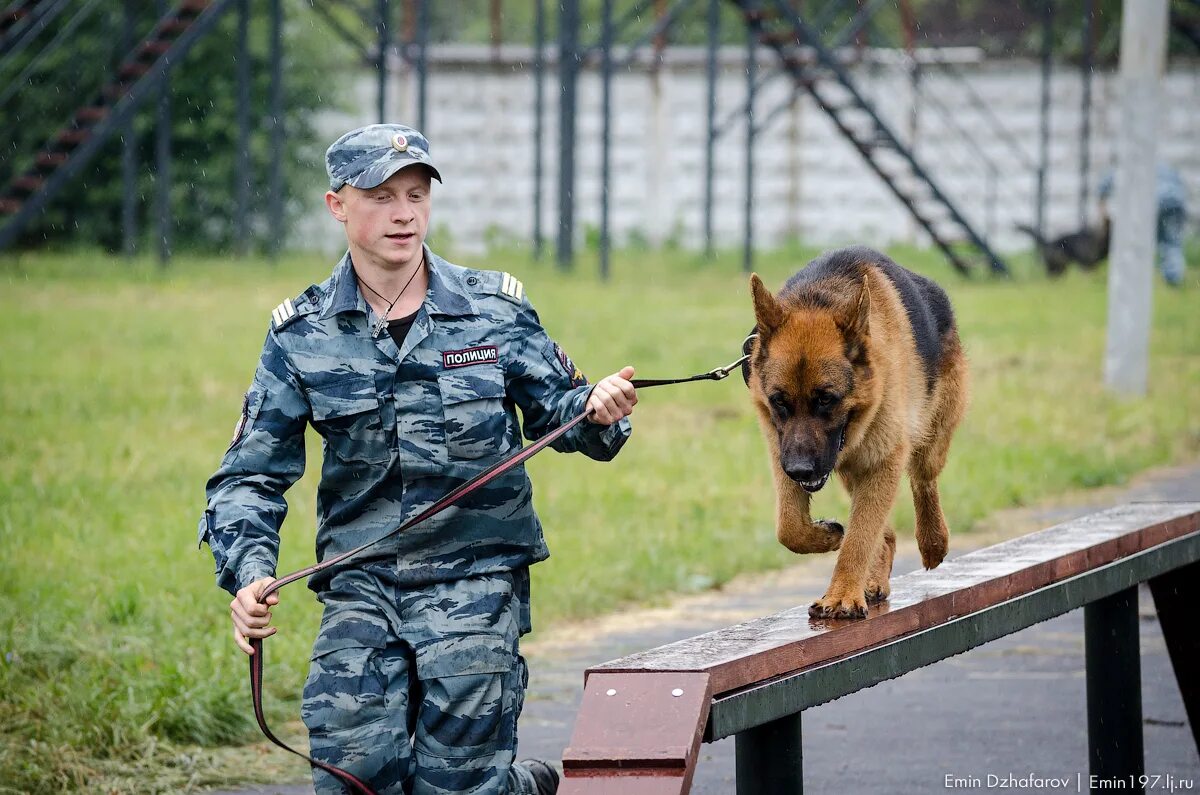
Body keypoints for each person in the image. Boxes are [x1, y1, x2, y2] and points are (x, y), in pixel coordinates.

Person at [199, 123, 638, 795]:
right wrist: (249, 576)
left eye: (416, 194)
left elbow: (565, 413)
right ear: (337, 205)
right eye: (380, 195)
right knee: (355, 772)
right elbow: (251, 472)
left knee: (453, 786)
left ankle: (507, 786)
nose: (404, 213)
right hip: (361, 580)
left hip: (475, 576)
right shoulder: (301, 333)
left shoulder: (492, 310)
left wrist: (600, 408)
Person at [1099, 162, 1190, 287]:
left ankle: (1140, 279)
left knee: (1143, 244)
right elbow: (1181, 186)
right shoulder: (1164, 167)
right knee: (1171, 243)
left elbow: (1104, 186)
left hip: (1155, 203)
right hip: (1175, 203)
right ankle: (1174, 279)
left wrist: (1102, 206)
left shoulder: (1128, 165)